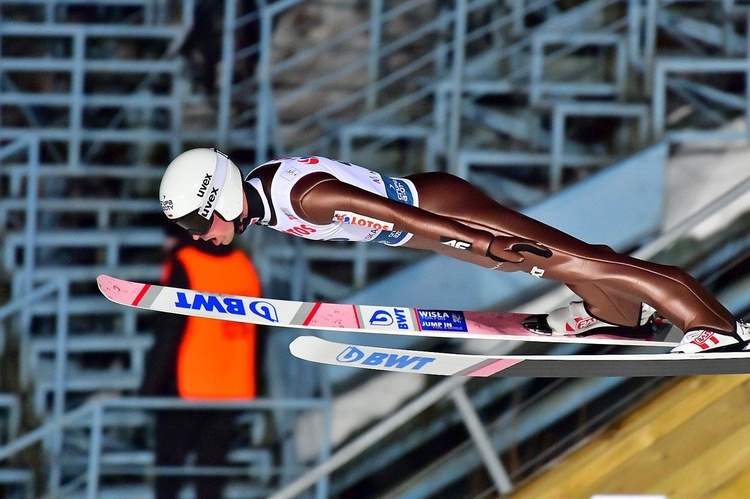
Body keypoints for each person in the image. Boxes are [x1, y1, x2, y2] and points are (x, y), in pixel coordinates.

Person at [158, 148, 749, 354]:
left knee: (573, 258)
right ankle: (618, 317)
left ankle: (712, 322)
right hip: (430, 227)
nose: (198, 235)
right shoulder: (260, 194)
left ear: (218, 197)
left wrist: (477, 236)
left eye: (196, 221)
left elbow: (393, 213)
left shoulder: (300, 197)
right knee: (557, 260)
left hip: (439, 211)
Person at [140, 222, 263, 498]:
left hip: (186, 388)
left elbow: (170, 331)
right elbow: (260, 335)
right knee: (211, 480)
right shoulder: (245, 266)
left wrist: (150, 386)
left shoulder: (185, 264)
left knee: (169, 477)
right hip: (232, 389)